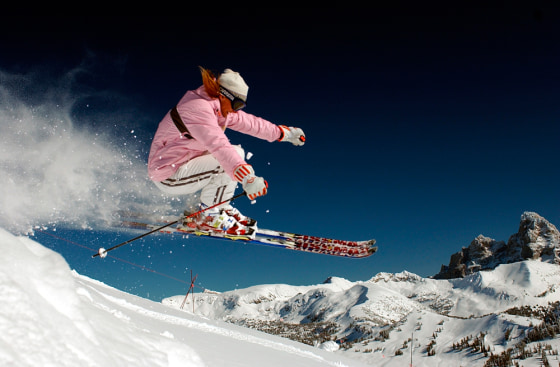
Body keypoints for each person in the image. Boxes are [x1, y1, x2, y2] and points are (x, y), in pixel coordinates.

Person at [148, 67, 305, 237]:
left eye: (242, 106)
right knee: (228, 158)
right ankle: (210, 217)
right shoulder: (197, 108)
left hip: (185, 164)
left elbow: (251, 123)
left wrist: (284, 134)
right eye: (237, 104)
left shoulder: (221, 110)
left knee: (238, 151)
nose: (237, 110)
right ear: (224, 95)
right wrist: (247, 178)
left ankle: (219, 207)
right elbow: (218, 145)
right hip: (169, 174)